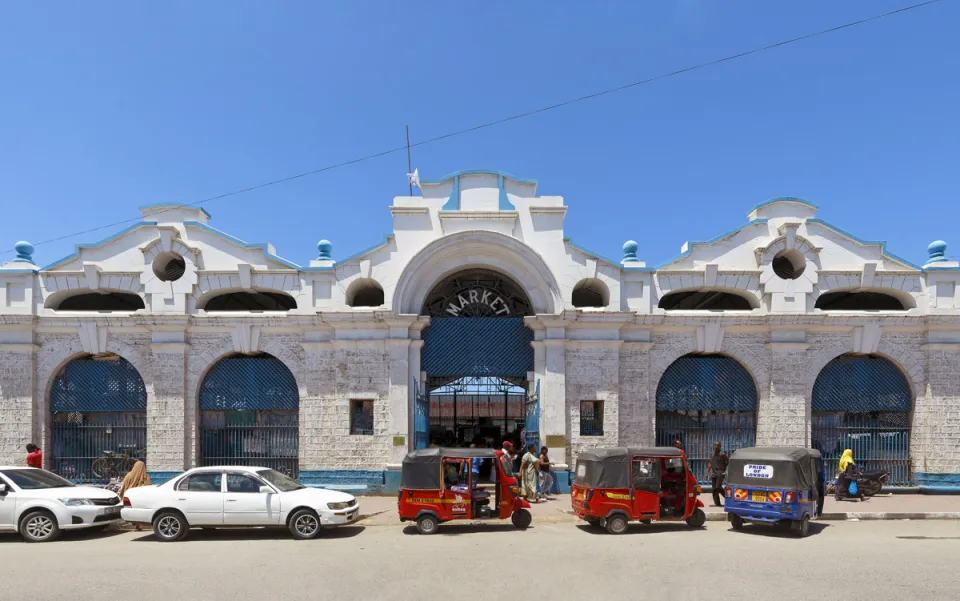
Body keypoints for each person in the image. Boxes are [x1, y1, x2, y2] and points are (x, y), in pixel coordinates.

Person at [119, 461, 151, 531]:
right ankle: (138, 525)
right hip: (140, 498)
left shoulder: (128, 475)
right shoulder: (145, 476)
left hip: (129, 498)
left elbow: (124, 486)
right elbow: (148, 487)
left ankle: (136, 524)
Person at [707, 442, 728, 507]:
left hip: (720, 473)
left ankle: (728, 498)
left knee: (718, 487)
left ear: (720, 446)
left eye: (718, 445)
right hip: (714, 474)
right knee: (714, 489)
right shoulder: (713, 454)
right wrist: (707, 472)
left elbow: (727, 461)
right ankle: (717, 504)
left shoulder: (722, 454)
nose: (716, 446)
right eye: (715, 445)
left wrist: (724, 467)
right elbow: (710, 463)